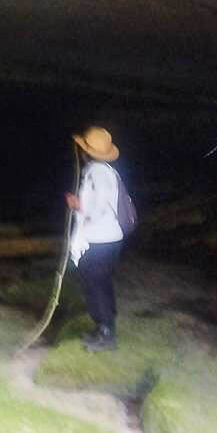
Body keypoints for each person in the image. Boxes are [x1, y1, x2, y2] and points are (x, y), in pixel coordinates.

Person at [65, 126, 124, 351]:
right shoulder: (105, 170)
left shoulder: (98, 173)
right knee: (101, 283)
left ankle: (106, 334)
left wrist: (78, 205)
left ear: (86, 152)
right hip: (108, 238)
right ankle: (104, 327)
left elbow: (99, 206)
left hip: (100, 240)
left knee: (94, 284)